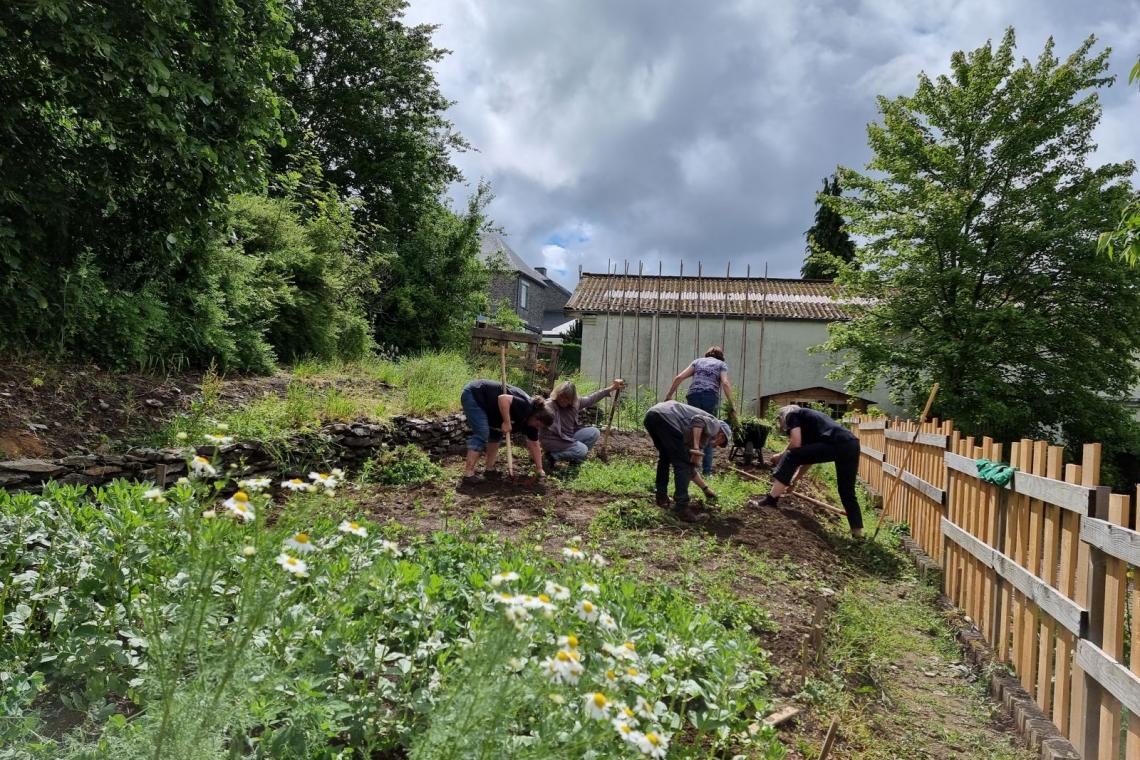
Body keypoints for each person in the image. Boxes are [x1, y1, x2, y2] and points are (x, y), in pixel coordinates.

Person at [759, 405, 864, 538]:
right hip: (851, 444)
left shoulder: (792, 414)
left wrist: (780, 456)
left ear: (781, 417)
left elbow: (795, 444)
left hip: (838, 443)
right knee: (846, 490)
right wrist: (795, 480)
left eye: (781, 423)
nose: (785, 428)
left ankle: (771, 499)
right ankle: (858, 533)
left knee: (791, 455)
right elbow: (809, 458)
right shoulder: (811, 424)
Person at [643, 400, 732, 522]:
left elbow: (690, 468)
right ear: (722, 435)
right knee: (681, 464)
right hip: (667, 418)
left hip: (652, 415)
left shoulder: (699, 435)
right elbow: (698, 420)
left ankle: (661, 496)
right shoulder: (715, 425)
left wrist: (705, 489)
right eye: (722, 443)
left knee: (665, 458)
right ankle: (681, 508)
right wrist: (695, 447)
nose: (717, 446)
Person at [460, 380, 554, 485]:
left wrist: (539, 468)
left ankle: (489, 469)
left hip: (490, 408)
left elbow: (535, 444)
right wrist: (507, 422)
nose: (536, 428)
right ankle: (468, 474)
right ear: (536, 417)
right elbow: (503, 399)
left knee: (496, 434)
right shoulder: (526, 406)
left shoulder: (531, 424)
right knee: (482, 433)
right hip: (475, 394)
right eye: (537, 425)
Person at [664, 346, 735, 477]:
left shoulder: (697, 362)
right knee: (709, 431)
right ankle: (706, 473)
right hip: (710, 397)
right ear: (720, 357)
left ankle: (687, 467)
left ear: (707, 355)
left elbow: (679, 377)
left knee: (693, 431)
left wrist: (669, 395)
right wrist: (732, 405)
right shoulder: (721, 365)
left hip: (694, 395)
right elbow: (725, 383)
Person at [541, 378, 626, 471]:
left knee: (594, 432)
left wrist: (612, 387)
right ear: (557, 394)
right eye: (561, 396)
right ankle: (551, 457)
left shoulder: (576, 403)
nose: (563, 400)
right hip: (553, 439)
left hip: (568, 437)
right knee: (583, 450)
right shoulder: (549, 405)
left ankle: (576, 461)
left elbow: (592, 398)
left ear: (572, 399)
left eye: (567, 398)